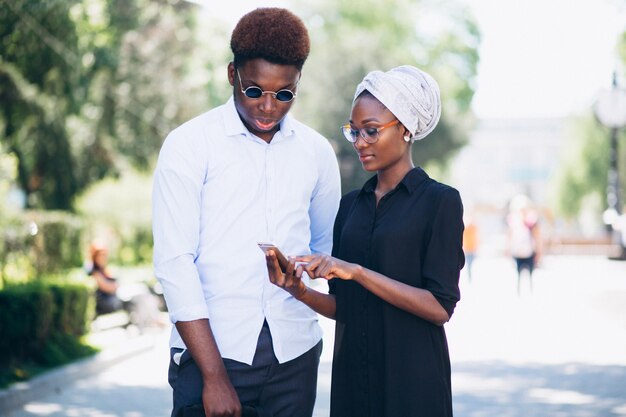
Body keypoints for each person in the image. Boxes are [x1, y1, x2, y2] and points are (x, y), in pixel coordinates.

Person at [151, 8, 341, 417]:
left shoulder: (317, 153)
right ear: (231, 74)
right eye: (254, 90)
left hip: (295, 357)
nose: (268, 106)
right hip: (213, 356)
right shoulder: (189, 145)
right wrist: (215, 378)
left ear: (298, 84)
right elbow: (174, 263)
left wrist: (306, 273)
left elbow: (326, 251)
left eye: (284, 93)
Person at [266, 66, 465, 417]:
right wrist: (298, 290)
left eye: (371, 131)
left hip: (413, 384)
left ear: (405, 129)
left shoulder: (440, 201)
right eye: (354, 131)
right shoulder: (351, 206)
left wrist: (357, 272)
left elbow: (439, 308)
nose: (359, 142)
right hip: (353, 382)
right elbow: (345, 309)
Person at [506, 194, 541, 294]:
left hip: (529, 252)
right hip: (518, 252)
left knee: (530, 274)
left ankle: (530, 291)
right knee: (518, 274)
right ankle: (519, 292)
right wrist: (508, 250)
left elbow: (537, 237)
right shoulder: (513, 222)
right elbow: (509, 237)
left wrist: (538, 251)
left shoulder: (531, 223)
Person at [88, 241, 123, 315]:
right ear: (95, 256)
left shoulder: (104, 270)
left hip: (114, 299)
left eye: (105, 255)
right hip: (107, 303)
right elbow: (109, 288)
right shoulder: (94, 272)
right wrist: (117, 286)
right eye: (101, 255)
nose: (103, 257)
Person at [462, 213, 479, 282]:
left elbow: (476, 238)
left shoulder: (474, 227)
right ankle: (469, 277)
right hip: (468, 248)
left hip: (472, 248)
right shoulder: (466, 228)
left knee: (471, 263)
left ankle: (470, 277)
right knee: (469, 264)